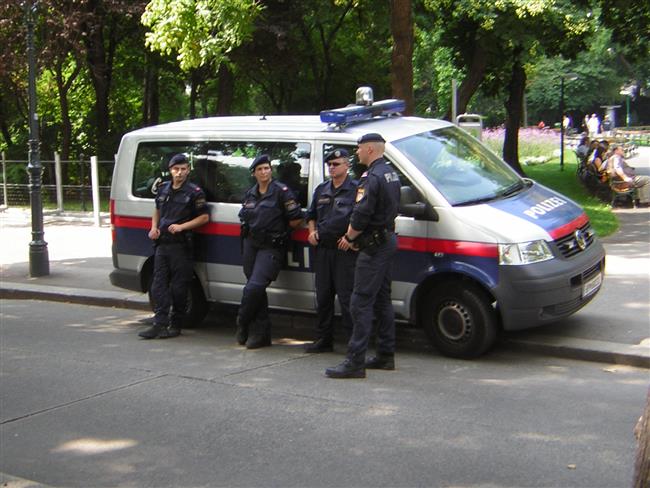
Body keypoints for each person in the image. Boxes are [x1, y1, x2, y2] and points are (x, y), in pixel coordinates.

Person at [325, 133, 401, 379]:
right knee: (381, 299)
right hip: (387, 240)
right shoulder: (390, 173)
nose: (356, 153)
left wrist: (349, 238)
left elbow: (361, 213)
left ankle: (355, 361)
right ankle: (385, 355)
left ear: (369, 149)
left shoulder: (371, 178)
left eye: (358, 149)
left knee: (360, 302)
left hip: (373, 246)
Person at [138, 153, 210, 339]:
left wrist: (181, 227)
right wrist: (153, 227)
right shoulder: (163, 189)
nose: (179, 173)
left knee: (179, 287)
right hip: (162, 244)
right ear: (170, 170)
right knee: (158, 285)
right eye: (176, 169)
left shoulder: (195, 192)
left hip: (181, 246)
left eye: (183, 169)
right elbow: (157, 210)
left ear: (188, 170)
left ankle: (175, 324)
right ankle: (159, 323)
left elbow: (204, 217)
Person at [237, 154, 304, 349]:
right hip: (251, 244)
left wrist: (280, 231)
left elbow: (295, 219)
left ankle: (242, 322)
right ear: (254, 173)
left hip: (272, 246)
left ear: (271, 170)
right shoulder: (250, 193)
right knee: (255, 290)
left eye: (267, 168)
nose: (264, 172)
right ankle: (261, 335)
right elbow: (245, 217)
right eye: (260, 169)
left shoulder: (282, 192)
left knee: (254, 288)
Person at [304, 148, 358, 353]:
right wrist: (312, 233)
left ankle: (354, 342)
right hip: (323, 251)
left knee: (346, 298)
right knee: (324, 296)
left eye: (336, 164)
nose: (332, 168)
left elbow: (346, 218)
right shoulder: (322, 189)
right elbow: (311, 215)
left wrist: (320, 233)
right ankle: (323, 339)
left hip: (344, 249)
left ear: (347, 165)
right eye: (330, 165)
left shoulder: (355, 189)